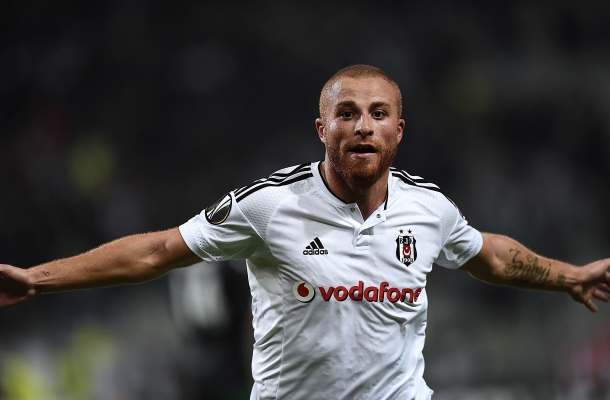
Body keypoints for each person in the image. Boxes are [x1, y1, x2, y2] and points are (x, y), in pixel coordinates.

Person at [1, 65, 609, 400]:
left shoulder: (430, 209)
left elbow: (491, 256)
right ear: (323, 129)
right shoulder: (270, 205)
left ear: (398, 131)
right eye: (347, 113)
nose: (363, 126)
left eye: (378, 114)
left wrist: (570, 276)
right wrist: (37, 279)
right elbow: (157, 251)